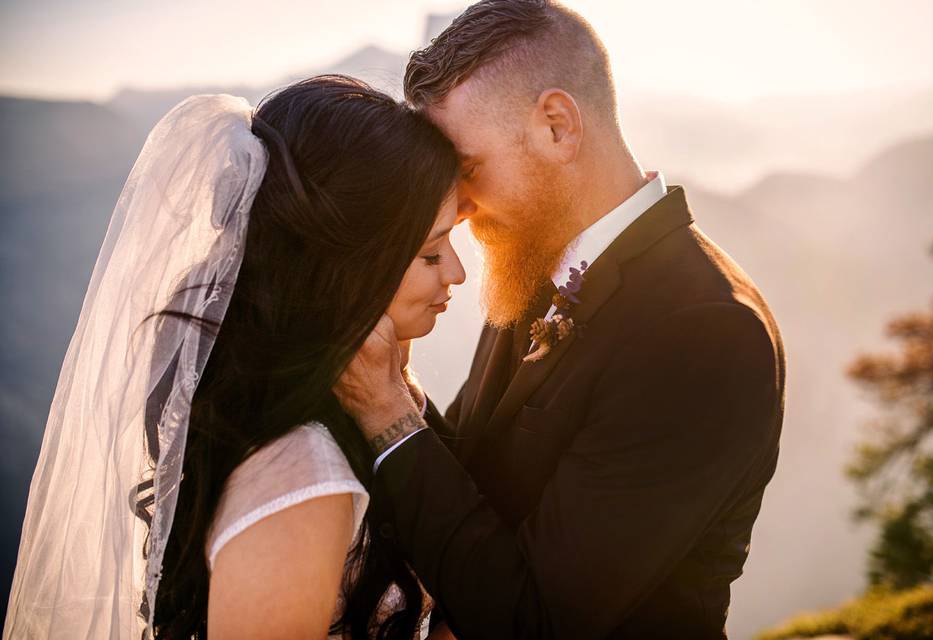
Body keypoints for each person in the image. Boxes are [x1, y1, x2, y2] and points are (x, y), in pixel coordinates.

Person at [333, 1, 786, 638]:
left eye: (466, 170)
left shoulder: (704, 331)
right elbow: (479, 480)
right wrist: (399, 392)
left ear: (556, 126)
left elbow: (538, 622)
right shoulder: (535, 264)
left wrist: (387, 420)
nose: (456, 206)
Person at [5, 75, 466, 639]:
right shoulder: (301, 483)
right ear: (346, 269)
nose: (458, 273)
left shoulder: (326, 420)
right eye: (429, 252)